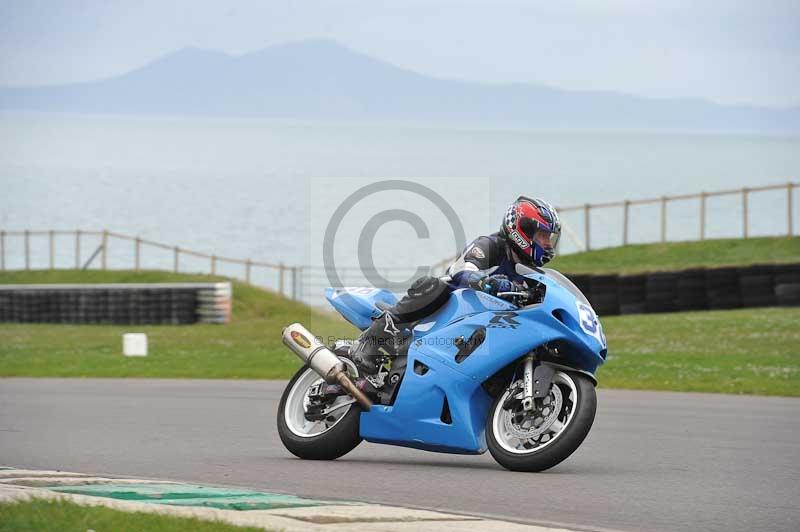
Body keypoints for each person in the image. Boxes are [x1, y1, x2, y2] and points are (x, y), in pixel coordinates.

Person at [350, 196, 562, 373]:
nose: (547, 244)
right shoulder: (492, 245)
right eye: (543, 235)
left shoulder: (531, 273)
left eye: (549, 238)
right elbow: (461, 270)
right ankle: (371, 341)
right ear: (522, 230)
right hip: (448, 309)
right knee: (436, 286)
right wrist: (487, 282)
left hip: (479, 327)